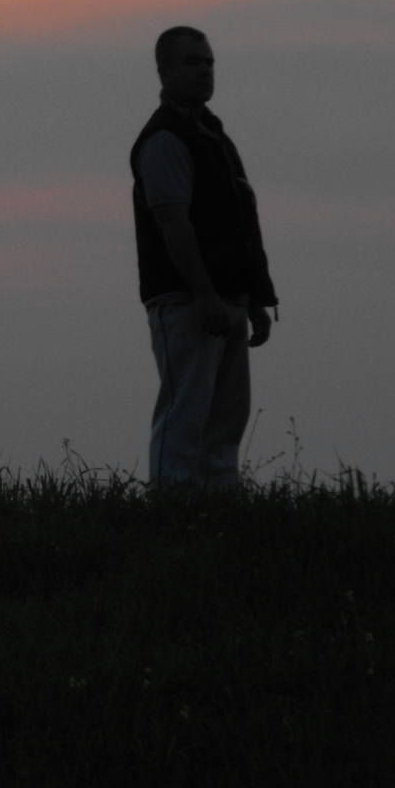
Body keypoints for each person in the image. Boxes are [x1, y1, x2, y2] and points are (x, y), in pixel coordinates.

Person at [130, 27, 278, 485]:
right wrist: (206, 296)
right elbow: (173, 223)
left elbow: (240, 220)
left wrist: (252, 298)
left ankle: (220, 515)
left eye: (209, 62)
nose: (204, 71)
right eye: (192, 62)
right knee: (185, 414)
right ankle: (172, 513)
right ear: (164, 71)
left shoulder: (214, 137)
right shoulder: (165, 139)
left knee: (226, 420)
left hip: (226, 300)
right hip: (186, 302)